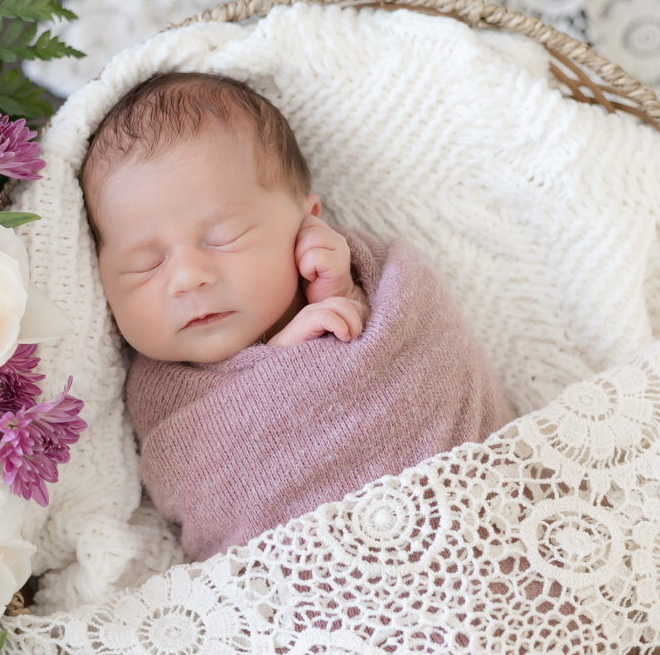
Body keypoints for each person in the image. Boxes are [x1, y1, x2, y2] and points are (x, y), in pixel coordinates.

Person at [80, 72, 514, 561]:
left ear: (309, 221)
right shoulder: (158, 393)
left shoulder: (376, 283)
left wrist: (344, 293)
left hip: (472, 526)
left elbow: (407, 380)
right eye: (145, 263)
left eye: (223, 236)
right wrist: (289, 357)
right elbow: (217, 480)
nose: (186, 278)